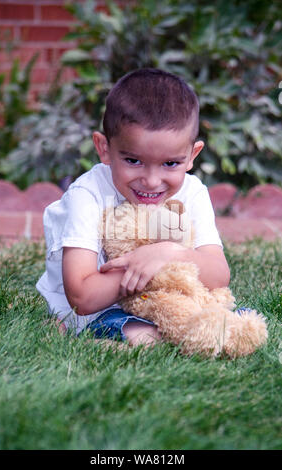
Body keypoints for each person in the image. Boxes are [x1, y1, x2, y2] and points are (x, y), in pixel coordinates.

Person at [36, 68, 230, 347]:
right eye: (133, 161)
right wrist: (141, 268)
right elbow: (81, 297)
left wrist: (167, 254)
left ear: (192, 155)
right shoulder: (87, 195)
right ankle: (101, 334)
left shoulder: (193, 192)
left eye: (170, 163)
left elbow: (219, 275)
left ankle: (179, 334)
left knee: (225, 319)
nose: (151, 181)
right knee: (144, 334)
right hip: (99, 312)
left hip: (170, 305)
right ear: (104, 148)